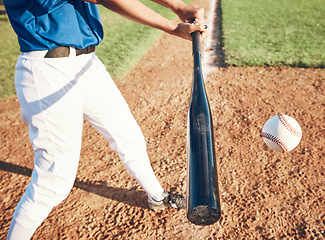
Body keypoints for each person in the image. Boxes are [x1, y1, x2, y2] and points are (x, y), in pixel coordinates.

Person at [3, 0, 207, 239]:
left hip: (88, 64)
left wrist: (177, 6)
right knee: (53, 180)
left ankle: (157, 196)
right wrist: (172, 26)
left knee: (129, 137)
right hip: (47, 69)